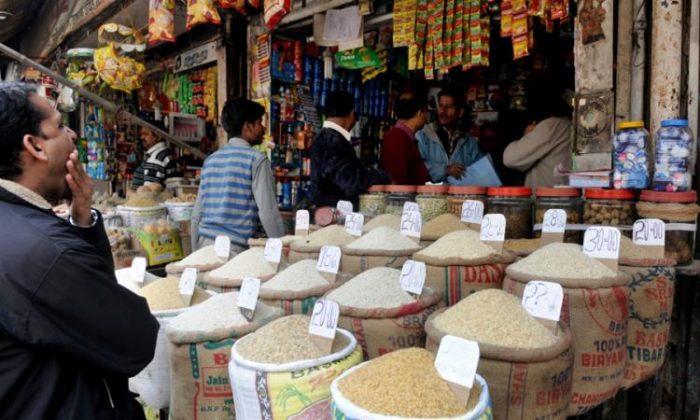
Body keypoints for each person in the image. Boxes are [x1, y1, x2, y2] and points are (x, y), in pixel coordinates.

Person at [0, 82, 158, 418]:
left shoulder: (24, 229)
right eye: (59, 126)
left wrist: (83, 221)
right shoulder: (43, 253)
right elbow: (133, 339)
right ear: (35, 146)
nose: (72, 135)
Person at [191, 98, 284, 252]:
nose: (263, 128)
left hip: (204, 248)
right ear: (247, 127)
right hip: (234, 251)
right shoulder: (256, 160)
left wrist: (194, 254)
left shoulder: (211, 160)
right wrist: (283, 247)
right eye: (259, 123)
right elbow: (269, 214)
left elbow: (197, 215)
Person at [309, 91, 390, 218]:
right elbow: (350, 182)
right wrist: (381, 176)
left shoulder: (326, 138)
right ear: (352, 114)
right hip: (334, 220)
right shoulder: (332, 141)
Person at [503, 76, 573, 189]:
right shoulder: (566, 123)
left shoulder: (551, 125)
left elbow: (510, 158)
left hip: (548, 198)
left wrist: (527, 135)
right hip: (559, 193)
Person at [416, 87, 483, 183]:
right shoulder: (423, 135)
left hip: (459, 196)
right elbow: (417, 167)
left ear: (460, 112)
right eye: (441, 106)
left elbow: (480, 171)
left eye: (449, 107)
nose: (443, 111)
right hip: (431, 196)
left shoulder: (469, 142)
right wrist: (445, 170)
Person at [380, 92, 431, 185]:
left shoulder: (404, 137)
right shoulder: (397, 138)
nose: (427, 117)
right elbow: (397, 179)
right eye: (426, 111)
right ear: (419, 112)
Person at [131, 123, 178, 190]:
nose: (142, 137)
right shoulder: (164, 153)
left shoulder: (156, 159)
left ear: (158, 136)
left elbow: (149, 191)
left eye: (146, 134)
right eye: (141, 134)